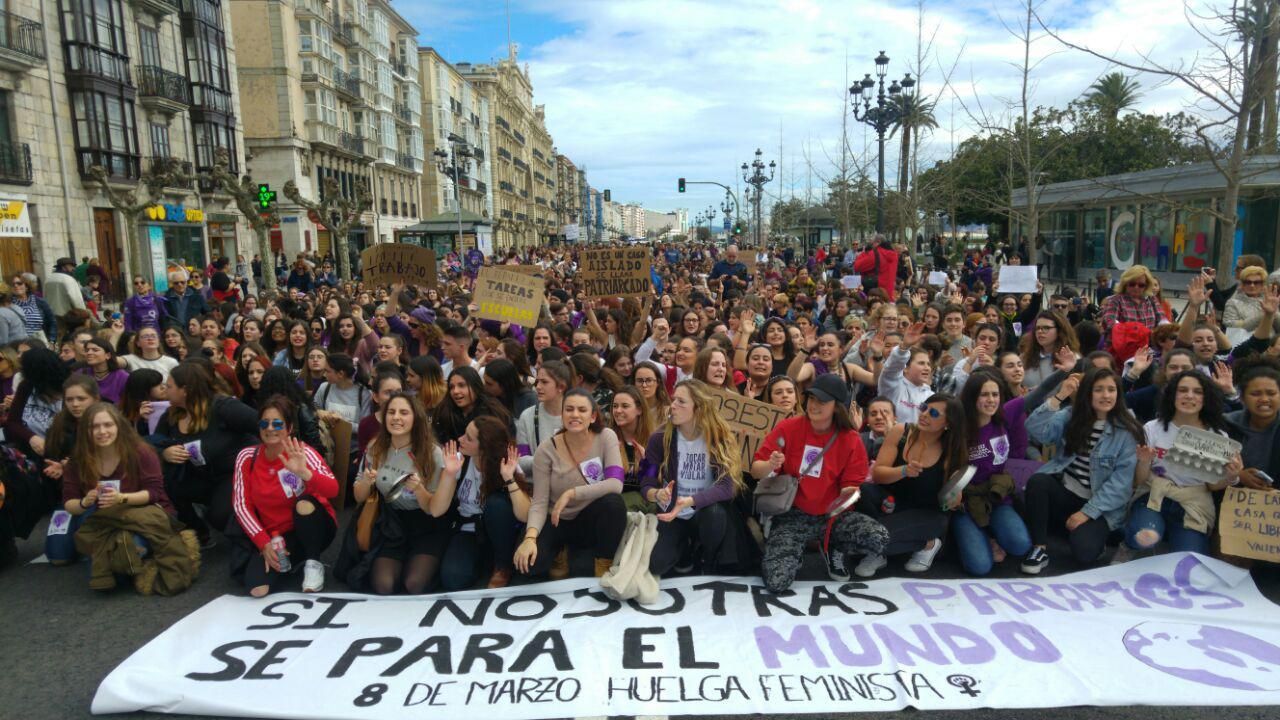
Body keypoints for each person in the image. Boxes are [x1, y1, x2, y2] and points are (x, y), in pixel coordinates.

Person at [750, 374, 889, 591]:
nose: (813, 405)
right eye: (811, 398)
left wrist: (845, 497)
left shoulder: (850, 439)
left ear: (836, 407)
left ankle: (834, 547)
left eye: (821, 401)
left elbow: (851, 486)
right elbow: (756, 469)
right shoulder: (788, 427)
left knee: (878, 538)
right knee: (776, 583)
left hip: (832, 516)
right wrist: (770, 464)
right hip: (792, 514)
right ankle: (793, 552)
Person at [61, 403, 197, 594]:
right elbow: (69, 503)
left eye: (108, 425)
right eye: (94, 427)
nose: (102, 431)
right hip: (104, 516)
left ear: (118, 426)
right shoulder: (78, 460)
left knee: (126, 556)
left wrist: (121, 498)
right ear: (85, 431)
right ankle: (132, 554)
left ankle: (148, 551)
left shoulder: (141, 452)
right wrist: (85, 502)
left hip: (145, 511)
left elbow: (154, 493)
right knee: (103, 565)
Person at [1022, 367, 1143, 573]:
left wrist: (1087, 513)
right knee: (1038, 482)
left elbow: (1120, 486)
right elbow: (1035, 430)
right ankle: (1039, 548)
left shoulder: (1127, 430)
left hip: (1100, 505)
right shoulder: (1072, 415)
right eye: (1098, 390)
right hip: (1067, 492)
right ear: (1088, 393)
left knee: (1084, 554)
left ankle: (1097, 533)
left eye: (1111, 390)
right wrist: (1060, 396)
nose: (1106, 395)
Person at [231, 396, 339, 596]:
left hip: (313, 526)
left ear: (289, 428)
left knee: (303, 504)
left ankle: (313, 562)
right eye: (265, 422)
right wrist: (263, 544)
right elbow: (241, 506)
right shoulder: (246, 457)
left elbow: (333, 489)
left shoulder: (303, 452)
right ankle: (295, 560)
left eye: (277, 423)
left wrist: (305, 473)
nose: (270, 428)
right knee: (257, 589)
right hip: (276, 536)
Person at [353, 393, 460, 594]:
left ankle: (436, 561)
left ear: (415, 418)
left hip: (427, 524)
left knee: (414, 584)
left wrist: (419, 489)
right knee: (384, 586)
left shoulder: (432, 453)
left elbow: (434, 509)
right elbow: (358, 497)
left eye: (404, 413)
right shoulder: (375, 449)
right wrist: (367, 481)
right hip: (391, 524)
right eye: (391, 412)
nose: (396, 418)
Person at [1125, 370, 1242, 554]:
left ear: (1206, 398)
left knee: (1190, 558)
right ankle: (1131, 541)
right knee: (1144, 537)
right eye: (1183, 390)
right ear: (1172, 395)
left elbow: (1212, 486)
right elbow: (1138, 481)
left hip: (1193, 504)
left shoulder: (1217, 436)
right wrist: (1144, 462)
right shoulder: (1152, 428)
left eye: (1197, 391)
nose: (1189, 396)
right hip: (1154, 495)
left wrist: (1231, 476)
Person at [515, 389, 627, 579]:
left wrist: (572, 493)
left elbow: (616, 484)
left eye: (582, 410)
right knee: (529, 566)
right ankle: (561, 550)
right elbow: (540, 501)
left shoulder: (606, 437)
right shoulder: (546, 449)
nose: (575, 414)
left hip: (590, 517)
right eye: (569, 409)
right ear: (562, 414)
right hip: (557, 519)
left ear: (592, 416)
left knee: (613, 503)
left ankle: (604, 560)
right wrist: (530, 538)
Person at [642, 380, 747, 575]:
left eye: (681, 402)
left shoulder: (718, 437)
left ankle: (708, 556)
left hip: (703, 511)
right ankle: (685, 550)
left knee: (715, 515)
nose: (673, 405)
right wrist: (656, 494)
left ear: (698, 408)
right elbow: (646, 480)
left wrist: (690, 501)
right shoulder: (659, 438)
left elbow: (728, 486)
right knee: (656, 564)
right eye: (674, 400)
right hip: (671, 513)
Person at [858, 393, 967, 577]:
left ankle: (929, 544)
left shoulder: (951, 449)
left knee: (865, 540)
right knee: (863, 491)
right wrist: (903, 471)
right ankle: (894, 546)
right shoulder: (900, 431)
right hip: (892, 504)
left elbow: (950, 502)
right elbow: (877, 475)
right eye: (924, 407)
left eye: (933, 413)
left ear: (948, 423)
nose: (924, 414)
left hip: (927, 514)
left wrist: (954, 495)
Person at [153, 361, 259, 547]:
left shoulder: (222, 407)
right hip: (200, 475)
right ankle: (198, 532)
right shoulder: (171, 416)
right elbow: (150, 445)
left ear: (184, 390)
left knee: (219, 517)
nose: (164, 390)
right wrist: (163, 452)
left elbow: (264, 426)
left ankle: (254, 529)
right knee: (169, 482)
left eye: (169, 386)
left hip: (234, 473)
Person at [439, 416, 530, 590]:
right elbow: (438, 509)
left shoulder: (507, 464)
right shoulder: (459, 460)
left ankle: (503, 566)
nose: (460, 439)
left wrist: (509, 478)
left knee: (497, 504)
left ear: (485, 447)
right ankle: (481, 562)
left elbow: (525, 514)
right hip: (469, 529)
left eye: (468, 438)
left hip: (501, 530)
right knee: (453, 579)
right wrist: (449, 474)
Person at [5, 347, 69, 459]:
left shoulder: (69, 387)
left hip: (61, 452)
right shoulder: (26, 386)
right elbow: (12, 422)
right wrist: (31, 438)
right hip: (29, 448)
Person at [515, 360, 571, 474]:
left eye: (544, 382)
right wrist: (549, 460)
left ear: (561, 386)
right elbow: (521, 461)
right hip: (536, 484)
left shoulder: (575, 416)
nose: (538, 387)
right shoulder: (527, 416)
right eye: (537, 382)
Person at [878, 322, 933, 423]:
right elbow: (892, 367)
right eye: (921, 363)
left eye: (928, 364)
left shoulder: (931, 396)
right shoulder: (892, 385)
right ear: (905, 368)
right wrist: (904, 347)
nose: (927, 368)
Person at [1098, 265, 1163, 345]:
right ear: (1125, 283)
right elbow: (1110, 324)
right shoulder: (1115, 300)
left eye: (1141, 285)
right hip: (1121, 350)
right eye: (1132, 284)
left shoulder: (1152, 300)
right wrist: (1139, 333)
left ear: (1146, 286)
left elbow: (1162, 322)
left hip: (1147, 350)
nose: (1136, 287)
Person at [80, 338, 129, 403]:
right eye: (87, 350)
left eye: (95, 350)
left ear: (108, 355)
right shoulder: (81, 374)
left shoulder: (122, 376)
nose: (89, 353)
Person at [10, 273, 55, 341]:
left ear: (27, 286)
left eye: (19, 283)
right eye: (13, 284)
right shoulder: (8, 305)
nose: (16, 286)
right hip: (19, 344)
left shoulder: (40, 302)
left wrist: (52, 341)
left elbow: (52, 322)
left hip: (40, 343)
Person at [853, 235, 899, 300]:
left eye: (872, 243)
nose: (871, 246)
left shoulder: (875, 253)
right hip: (888, 290)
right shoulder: (894, 254)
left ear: (878, 242)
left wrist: (862, 254)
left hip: (876, 291)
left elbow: (857, 267)